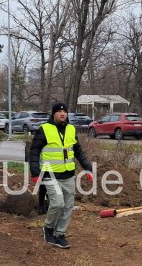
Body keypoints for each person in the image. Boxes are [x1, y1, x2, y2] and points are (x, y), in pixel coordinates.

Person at [28, 102, 93, 249]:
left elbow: (78, 151)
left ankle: (60, 234)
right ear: (53, 114)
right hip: (50, 174)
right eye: (59, 112)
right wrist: (34, 172)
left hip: (68, 175)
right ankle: (48, 228)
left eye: (65, 112)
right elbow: (34, 152)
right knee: (58, 203)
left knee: (68, 206)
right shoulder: (44, 129)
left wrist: (88, 168)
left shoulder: (71, 129)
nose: (62, 114)